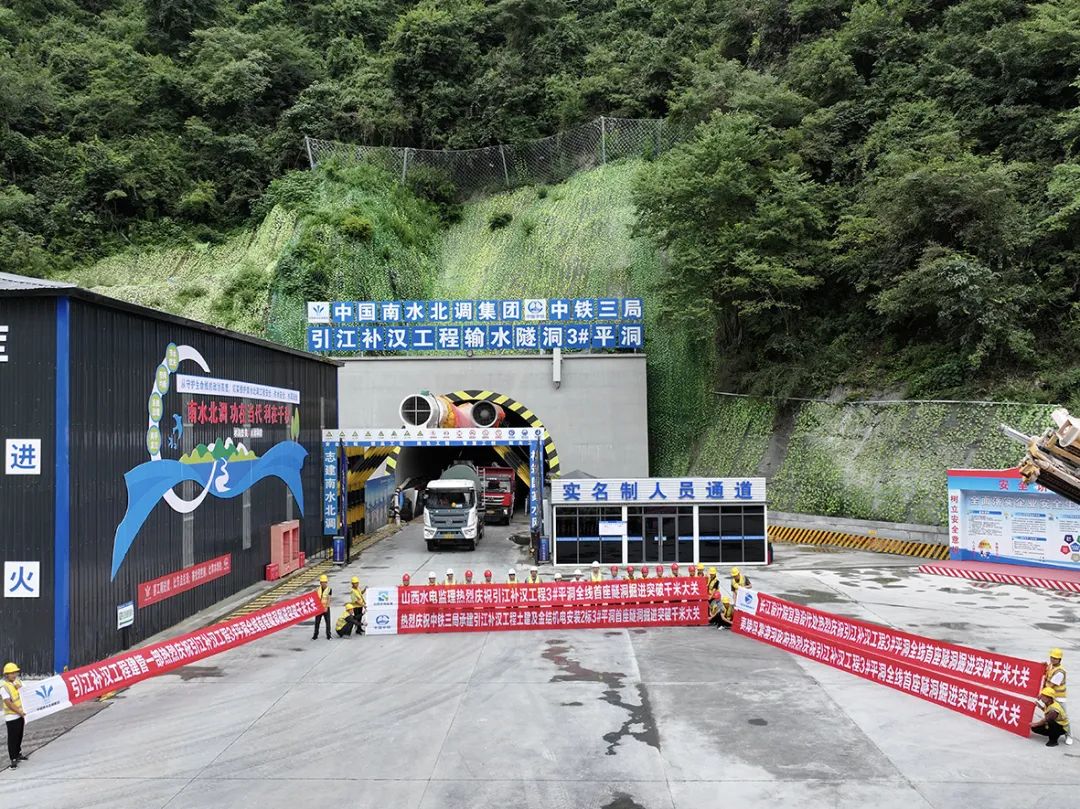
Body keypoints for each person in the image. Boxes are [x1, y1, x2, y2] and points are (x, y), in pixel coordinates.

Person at [3, 662, 27, 769]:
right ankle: (13, 759)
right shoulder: (4, 687)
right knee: (12, 738)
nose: (14, 675)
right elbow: (8, 703)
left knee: (19, 736)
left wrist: (20, 687)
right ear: (6, 675)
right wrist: (19, 711)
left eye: (15, 672)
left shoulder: (18, 682)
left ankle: (18, 754)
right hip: (12, 716)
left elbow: (26, 693)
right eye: (11, 673)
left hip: (20, 715)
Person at [312, 574, 332, 640]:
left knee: (328, 622)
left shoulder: (329, 589)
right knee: (317, 622)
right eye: (322, 582)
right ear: (320, 583)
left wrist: (326, 607)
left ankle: (328, 635)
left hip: (325, 608)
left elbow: (329, 599)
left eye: (325, 582)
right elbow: (314, 597)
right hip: (319, 608)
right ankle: (315, 635)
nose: (323, 584)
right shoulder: (317, 589)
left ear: (326, 582)